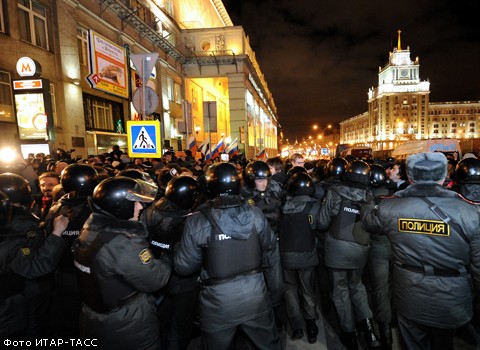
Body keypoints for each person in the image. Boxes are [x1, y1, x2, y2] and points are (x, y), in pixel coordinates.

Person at [362, 152, 480, 350]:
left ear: (410, 178)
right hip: (451, 297)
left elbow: (368, 223)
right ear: (443, 177)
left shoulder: (391, 207)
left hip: (409, 293)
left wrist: (366, 201)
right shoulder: (469, 211)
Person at [174, 162, 284, 349]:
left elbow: (184, 266)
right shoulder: (255, 214)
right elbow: (269, 246)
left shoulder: (197, 221)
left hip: (217, 302)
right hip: (255, 296)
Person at [73, 176, 171, 349]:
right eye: (136, 202)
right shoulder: (123, 242)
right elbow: (155, 280)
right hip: (126, 323)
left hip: (91, 315)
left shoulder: (91, 227)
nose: (141, 207)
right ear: (121, 206)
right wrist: (165, 258)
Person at [317, 160, 381, 350]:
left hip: (336, 248)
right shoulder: (369, 196)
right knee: (357, 286)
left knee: (340, 289)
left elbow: (321, 222)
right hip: (360, 248)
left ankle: (348, 333)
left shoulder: (334, 191)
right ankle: (369, 330)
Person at [0, 174, 69, 339]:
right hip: (27, 293)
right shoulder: (24, 225)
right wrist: (56, 234)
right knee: (34, 329)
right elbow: (36, 267)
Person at [140, 175, 200, 350]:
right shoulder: (189, 219)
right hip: (183, 281)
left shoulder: (150, 210)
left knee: (160, 318)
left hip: (154, 271)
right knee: (180, 326)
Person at [43, 163, 99, 337]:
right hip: (90, 274)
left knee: (69, 317)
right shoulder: (95, 210)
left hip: (63, 273)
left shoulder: (55, 209)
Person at [279, 172, 320, 343]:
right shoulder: (314, 206)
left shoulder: (283, 206)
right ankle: (311, 326)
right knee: (307, 290)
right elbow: (320, 225)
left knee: (290, 289)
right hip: (307, 253)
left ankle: (296, 327)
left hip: (286, 254)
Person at [365, 164, 394, 349]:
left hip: (377, 250)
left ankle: (385, 333)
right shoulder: (395, 197)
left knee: (380, 290)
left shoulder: (369, 198)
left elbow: (368, 225)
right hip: (396, 248)